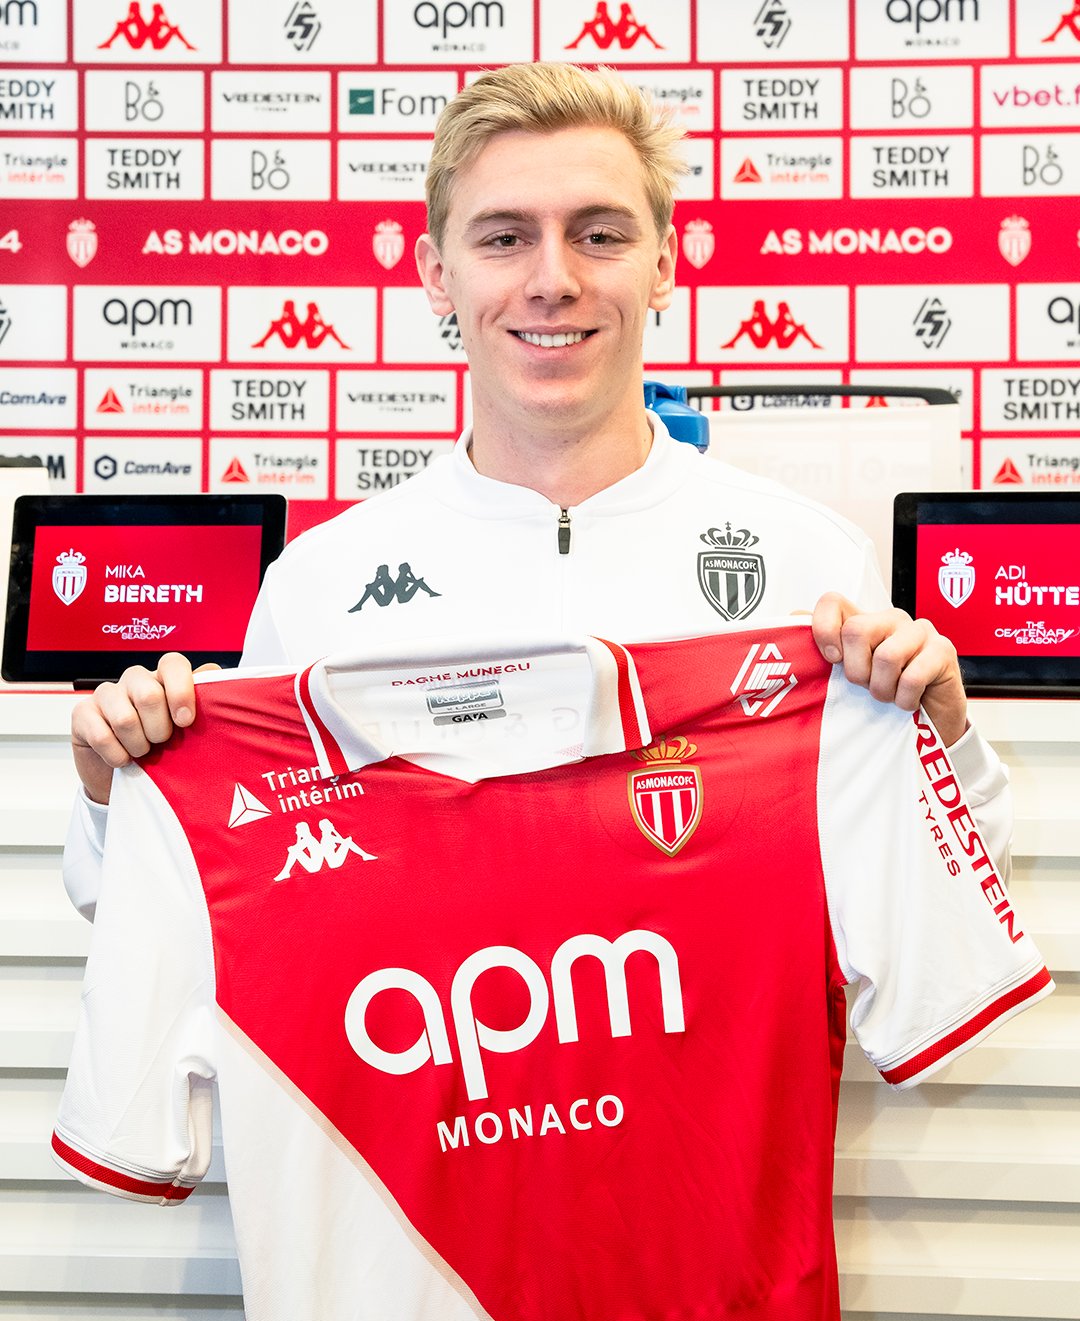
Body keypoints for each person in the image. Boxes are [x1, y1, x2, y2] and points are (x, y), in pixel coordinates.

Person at [63, 62, 1009, 916]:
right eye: (506, 237)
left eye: (599, 235)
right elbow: (181, 908)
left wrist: (946, 737)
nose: (553, 280)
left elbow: (952, 892)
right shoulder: (319, 581)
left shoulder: (813, 561)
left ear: (663, 265)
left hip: (726, 1066)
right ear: (438, 274)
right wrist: (119, 790)